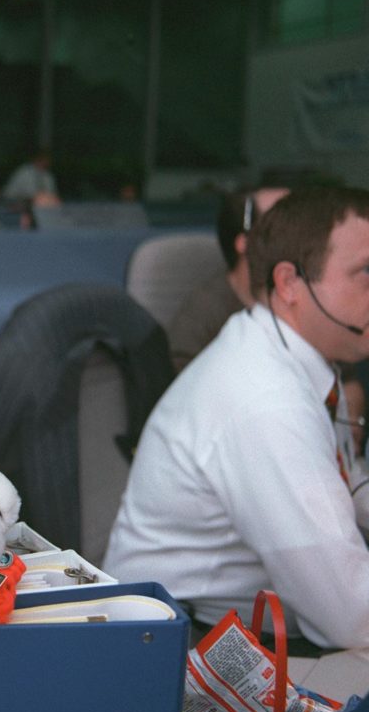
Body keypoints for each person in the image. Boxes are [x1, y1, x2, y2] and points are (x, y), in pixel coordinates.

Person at [103, 185, 369, 652]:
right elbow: (354, 619)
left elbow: (348, 487)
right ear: (289, 284)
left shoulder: (299, 356)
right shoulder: (265, 402)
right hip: (182, 652)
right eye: (365, 273)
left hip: (237, 627)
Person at [167, 186, 288, 374]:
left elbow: (343, 380)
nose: (298, 234)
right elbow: (183, 389)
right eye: (280, 223)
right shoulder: (203, 313)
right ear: (244, 243)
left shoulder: (305, 300)